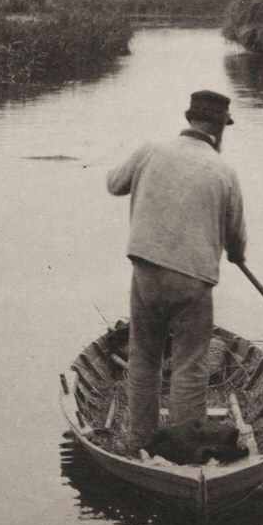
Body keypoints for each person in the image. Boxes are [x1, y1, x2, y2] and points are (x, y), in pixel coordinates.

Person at [106, 90, 247, 456]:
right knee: (189, 363)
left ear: (189, 119)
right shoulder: (223, 171)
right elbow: (236, 237)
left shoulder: (149, 150)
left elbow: (113, 184)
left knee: (144, 357)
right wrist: (237, 253)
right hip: (193, 282)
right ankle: (183, 448)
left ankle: (141, 440)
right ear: (218, 128)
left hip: (146, 272)